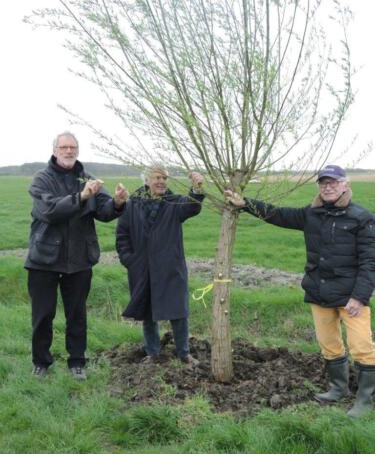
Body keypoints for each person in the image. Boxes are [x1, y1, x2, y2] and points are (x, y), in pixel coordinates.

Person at [225, 165, 375, 417]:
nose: (328, 187)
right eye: (323, 183)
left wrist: (359, 297)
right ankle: (338, 388)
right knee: (329, 344)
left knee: (361, 346)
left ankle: (365, 401)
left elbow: (370, 262)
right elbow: (278, 214)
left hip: (351, 296)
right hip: (319, 292)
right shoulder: (311, 213)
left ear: (345, 185)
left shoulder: (361, 218)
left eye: (333, 182)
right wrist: (245, 204)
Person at [25, 131, 128, 380]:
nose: (69, 151)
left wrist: (116, 202)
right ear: (55, 151)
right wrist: (82, 196)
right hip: (44, 259)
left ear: (77, 150)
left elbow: (103, 211)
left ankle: (77, 362)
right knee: (43, 315)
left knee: (77, 314)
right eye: (64, 147)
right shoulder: (41, 180)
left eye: (73, 147)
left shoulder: (87, 178)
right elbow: (49, 211)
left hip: (80, 258)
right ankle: (41, 362)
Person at [116, 165, 205, 365]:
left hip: (170, 267)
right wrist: (130, 261)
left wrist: (197, 189)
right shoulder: (131, 205)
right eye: (156, 178)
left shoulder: (173, 204)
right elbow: (122, 236)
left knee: (178, 311)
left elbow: (191, 206)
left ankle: (184, 353)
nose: (161, 182)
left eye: (164, 178)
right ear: (146, 181)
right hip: (142, 269)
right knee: (148, 312)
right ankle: (152, 353)